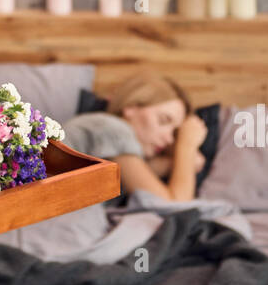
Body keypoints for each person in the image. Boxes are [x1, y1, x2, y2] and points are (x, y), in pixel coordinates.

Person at [62, 75, 209, 201]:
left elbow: (128, 178)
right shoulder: (114, 129)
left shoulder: (108, 138)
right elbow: (173, 204)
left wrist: (171, 163)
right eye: (163, 120)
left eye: (174, 133)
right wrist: (186, 147)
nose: (169, 139)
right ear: (131, 107)